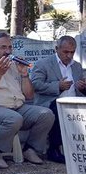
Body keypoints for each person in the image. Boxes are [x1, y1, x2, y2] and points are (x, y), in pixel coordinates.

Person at [0, 32, 54, 168]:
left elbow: (29, 96)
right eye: (3, 47)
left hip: (18, 107)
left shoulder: (14, 65)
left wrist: (24, 75)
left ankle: (30, 149)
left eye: (10, 47)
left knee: (46, 114)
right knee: (13, 118)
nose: (8, 51)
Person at [31, 36, 86, 164]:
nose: (69, 55)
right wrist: (57, 86)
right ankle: (54, 149)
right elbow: (35, 85)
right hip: (50, 102)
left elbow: (80, 88)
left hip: (74, 101)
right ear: (57, 49)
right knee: (58, 110)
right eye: (66, 52)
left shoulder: (76, 66)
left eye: (72, 52)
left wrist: (82, 87)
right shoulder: (43, 64)